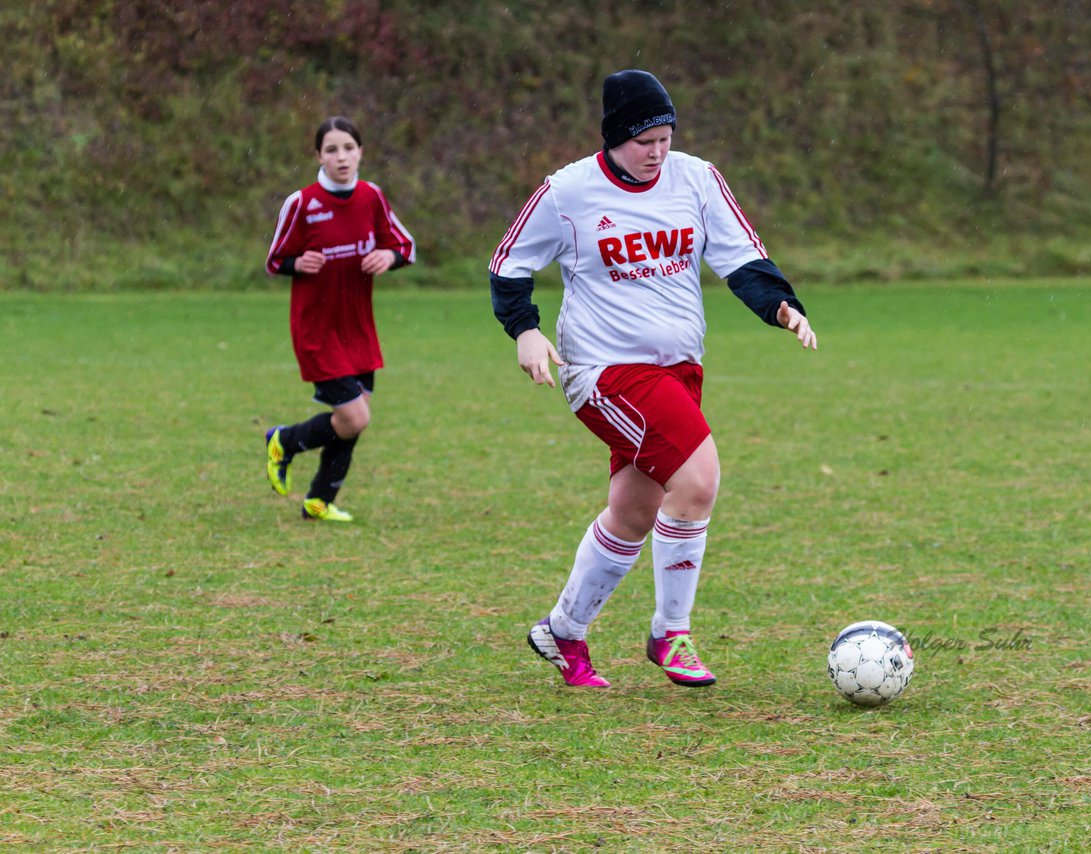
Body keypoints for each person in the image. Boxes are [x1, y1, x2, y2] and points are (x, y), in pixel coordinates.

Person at [489, 70, 817, 688]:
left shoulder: (696, 177)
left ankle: (562, 630)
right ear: (614, 137)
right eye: (644, 141)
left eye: (665, 137)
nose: (657, 152)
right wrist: (525, 329)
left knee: (635, 511)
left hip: (678, 371)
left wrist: (779, 304)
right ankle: (672, 632)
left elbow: (740, 256)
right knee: (698, 480)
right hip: (603, 372)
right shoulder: (568, 192)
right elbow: (509, 264)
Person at [263, 116, 416, 522]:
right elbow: (275, 260)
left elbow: (405, 245)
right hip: (318, 330)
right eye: (331, 150)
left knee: (351, 421)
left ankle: (319, 501)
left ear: (361, 151)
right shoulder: (302, 203)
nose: (341, 157)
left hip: (359, 328)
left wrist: (389, 256)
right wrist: (299, 262)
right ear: (318, 156)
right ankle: (284, 440)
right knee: (354, 416)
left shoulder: (372, 197)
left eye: (348, 147)